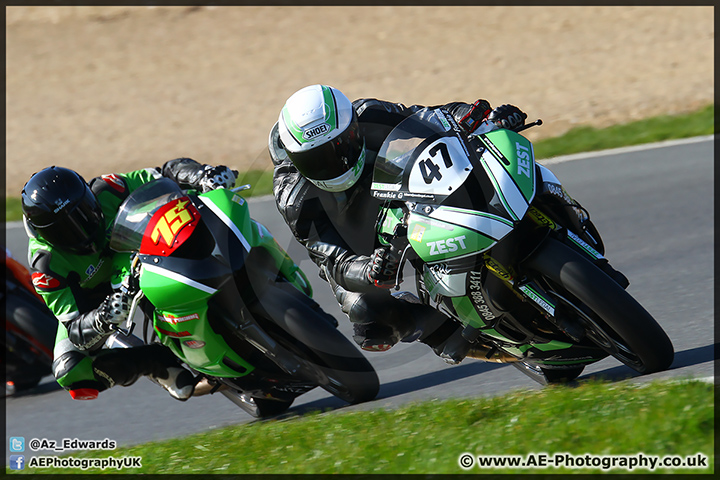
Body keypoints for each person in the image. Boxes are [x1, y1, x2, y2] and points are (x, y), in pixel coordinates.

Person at [268, 84, 527, 362]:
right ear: (295, 160)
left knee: (489, 166)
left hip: (405, 192)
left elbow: (428, 117)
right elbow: (334, 262)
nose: (336, 163)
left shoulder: (369, 112)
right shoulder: (293, 196)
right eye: (316, 160)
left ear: (352, 126)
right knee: (369, 319)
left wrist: (480, 119)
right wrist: (369, 270)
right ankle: (446, 334)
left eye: (341, 145)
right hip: (359, 246)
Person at [21, 159, 237, 401]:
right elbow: (75, 330)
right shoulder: (45, 266)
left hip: (142, 253)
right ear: (44, 234)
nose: (81, 229)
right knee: (68, 370)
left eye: (84, 213)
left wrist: (202, 175)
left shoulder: (108, 188)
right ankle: (157, 364)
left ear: (89, 197)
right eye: (64, 229)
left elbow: (163, 173)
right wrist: (103, 317)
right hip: (97, 300)